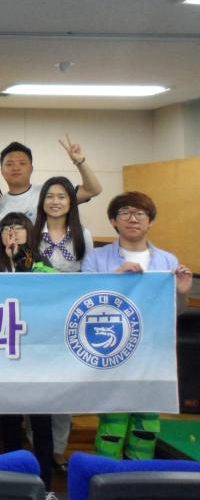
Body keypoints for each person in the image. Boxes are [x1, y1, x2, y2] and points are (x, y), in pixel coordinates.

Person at [82, 192, 193, 461]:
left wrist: (181, 293)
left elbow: (176, 310)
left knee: (147, 426)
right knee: (113, 423)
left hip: (153, 353)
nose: (133, 219)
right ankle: (106, 476)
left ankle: (140, 476)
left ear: (150, 221)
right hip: (112, 350)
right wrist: (114, 279)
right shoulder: (96, 258)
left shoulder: (167, 261)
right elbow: (84, 303)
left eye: (140, 213)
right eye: (125, 213)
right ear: (113, 221)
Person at [0, 213, 55, 490]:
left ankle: (46, 486)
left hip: (38, 356)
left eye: (18, 227)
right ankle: (13, 485)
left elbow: (55, 290)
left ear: (29, 232)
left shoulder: (42, 264)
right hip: (3, 356)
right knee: (9, 423)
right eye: (6, 227)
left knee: (41, 423)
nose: (12, 232)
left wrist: (22, 260)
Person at [31, 176, 94, 469]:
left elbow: (91, 278)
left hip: (69, 322)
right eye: (49, 196)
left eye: (61, 196)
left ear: (71, 202)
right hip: (35, 321)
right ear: (42, 201)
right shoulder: (32, 233)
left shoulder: (83, 235)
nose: (55, 201)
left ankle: (57, 450)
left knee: (63, 389)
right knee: (33, 386)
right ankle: (36, 447)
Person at [0, 136, 102, 249]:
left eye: (22, 163)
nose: (16, 168)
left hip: (54, 258)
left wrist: (80, 162)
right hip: (16, 261)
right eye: (9, 164)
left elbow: (92, 190)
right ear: (2, 171)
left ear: (31, 168)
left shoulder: (49, 192)